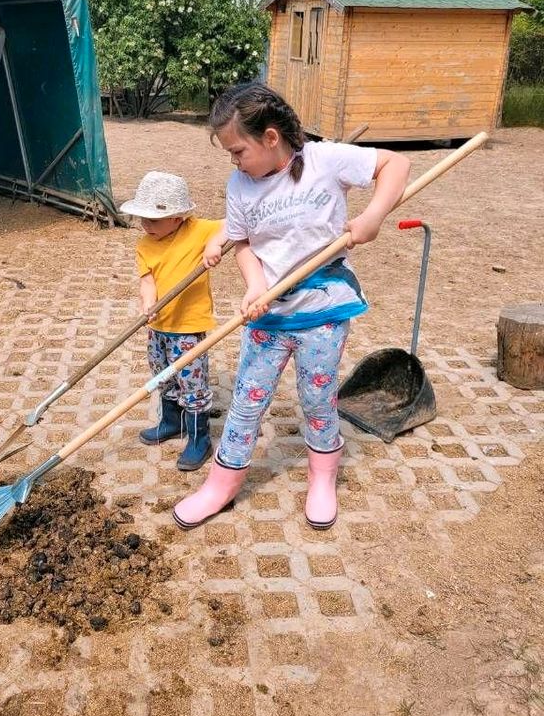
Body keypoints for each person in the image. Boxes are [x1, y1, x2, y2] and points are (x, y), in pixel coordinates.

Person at [173, 82, 411, 529]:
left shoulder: (324, 160)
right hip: (271, 311)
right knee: (247, 399)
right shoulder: (240, 185)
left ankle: (323, 478)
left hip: (324, 310)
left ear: (270, 137)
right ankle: (220, 484)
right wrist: (253, 287)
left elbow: (397, 164)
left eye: (238, 150)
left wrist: (373, 216)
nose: (234, 161)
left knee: (317, 398)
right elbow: (241, 242)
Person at [120, 171, 226, 470]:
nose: (145, 225)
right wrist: (148, 303)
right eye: (143, 218)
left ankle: (199, 438)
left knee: (191, 383)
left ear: (178, 217)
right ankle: (171, 422)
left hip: (187, 328)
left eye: (153, 219)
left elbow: (234, 226)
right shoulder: (145, 244)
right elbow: (147, 280)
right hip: (158, 326)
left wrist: (213, 245)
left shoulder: (198, 230)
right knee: (161, 374)